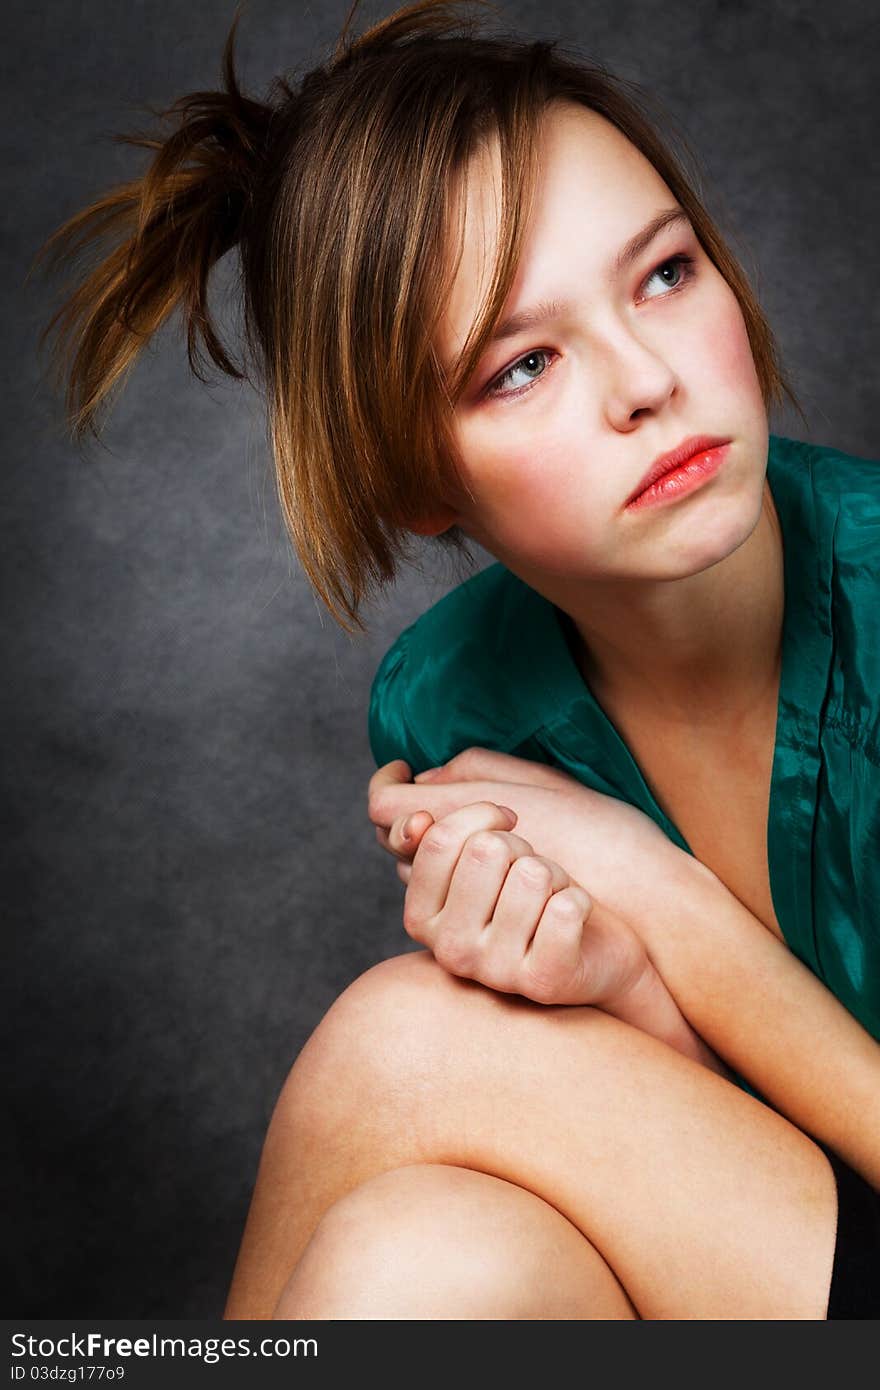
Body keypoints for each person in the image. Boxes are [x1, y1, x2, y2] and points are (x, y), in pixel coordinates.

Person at [35, 0, 880, 1319]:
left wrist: (660, 901)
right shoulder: (455, 707)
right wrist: (620, 988)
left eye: (664, 273)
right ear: (418, 484)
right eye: (524, 363)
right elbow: (695, 1161)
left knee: (401, 1042)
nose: (644, 378)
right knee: (422, 1256)